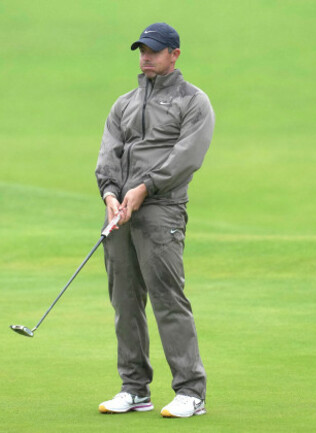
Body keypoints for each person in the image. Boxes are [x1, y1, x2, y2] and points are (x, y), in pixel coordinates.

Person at [95, 22, 215, 418]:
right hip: (121, 212)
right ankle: (134, 389)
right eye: (142, 50)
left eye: (154, 50)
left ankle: (190, 392)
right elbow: (109, 153)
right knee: (125, 300)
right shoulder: (123, 103)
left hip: (161, 210)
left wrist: (144, 186)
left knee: (167, 298)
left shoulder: (193, 101)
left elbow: (187, 157)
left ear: (174, 54)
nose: (146, 56)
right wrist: (110, 193)